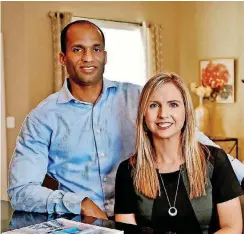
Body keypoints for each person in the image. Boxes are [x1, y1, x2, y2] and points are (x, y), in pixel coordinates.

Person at [8, 20, 244, 218]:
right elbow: (20, 191)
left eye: (96, 49)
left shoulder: (137, 97)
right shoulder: (41, 118)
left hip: (144, 223)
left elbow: (191, 137)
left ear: (105, 56)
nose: (88, 57)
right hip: (82, 228)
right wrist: (78, 203)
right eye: (78, 49)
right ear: (62, 57)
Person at [114, 72, 243, 234]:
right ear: (143, 114)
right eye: (153, 105)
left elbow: (232, 227)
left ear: (186, 111)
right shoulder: (127, 170)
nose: (163, 114)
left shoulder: (215, 160)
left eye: (173, 104)